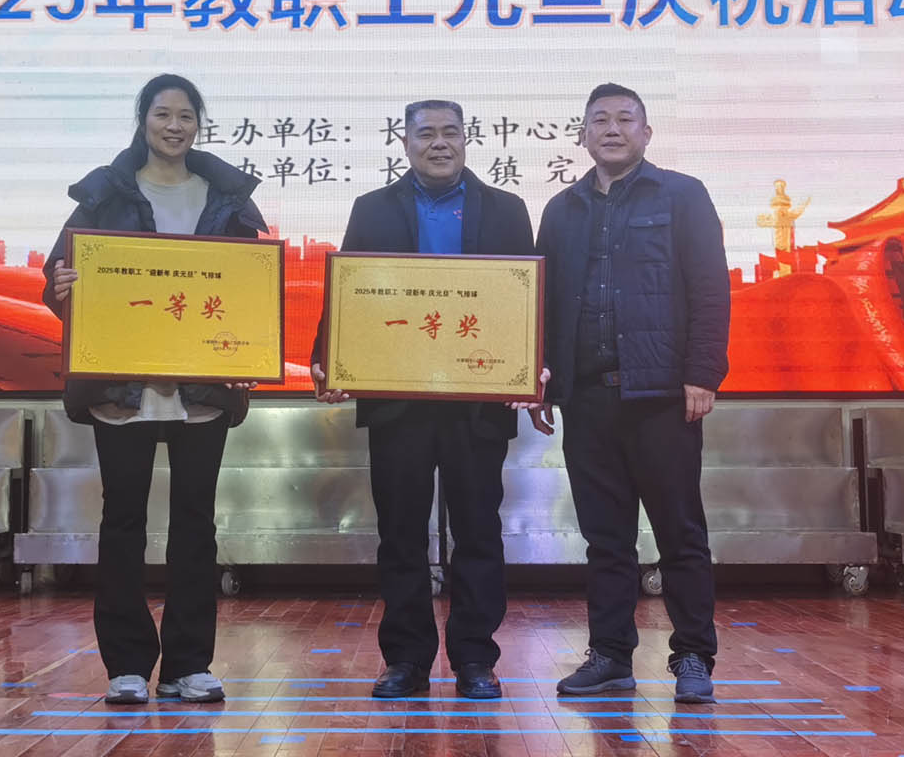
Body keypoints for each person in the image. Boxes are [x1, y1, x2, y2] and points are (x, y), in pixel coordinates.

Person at [42, 74, 266, 706]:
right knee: (123, 522)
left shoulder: (227, 199)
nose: (175, 126)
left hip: (201, 392)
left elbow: (248, 292)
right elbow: (59, 280)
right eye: (163, 114)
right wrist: (62, 288)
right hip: (123, 388)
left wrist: (248, 350)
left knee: (196, 524)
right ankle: (127, 666)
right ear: (143, 120)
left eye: (186, 116)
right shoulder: (104, 194)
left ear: (199, 124)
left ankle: (189, 665)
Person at [312, 100, 546, 701]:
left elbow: (526, 296)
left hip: (478, 400)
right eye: (426, 134)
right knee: (400, 534)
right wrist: (328, 357)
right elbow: (351, 289)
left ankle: (475, 658)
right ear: (405, 143)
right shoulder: (372, 208)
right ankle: (406, 659)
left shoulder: (506, 209)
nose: (439, 143)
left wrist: (531, 363)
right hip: (399, 401)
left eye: (450, 133)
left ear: (467, 139)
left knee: (478, 531)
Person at [531, 82, 731, 704]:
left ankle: (693, 655)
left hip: (663, 396)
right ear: (582, 135)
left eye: (624, 119)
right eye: (600, 120)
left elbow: (710, 288)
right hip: (587, 398)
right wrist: (537, 378)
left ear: (646, 133)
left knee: (680, 532)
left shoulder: (682, 195)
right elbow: (540, 302)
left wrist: (703, 373)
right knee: (605, 539)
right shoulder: (561, 210)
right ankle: (611, 655)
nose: (612, 129)